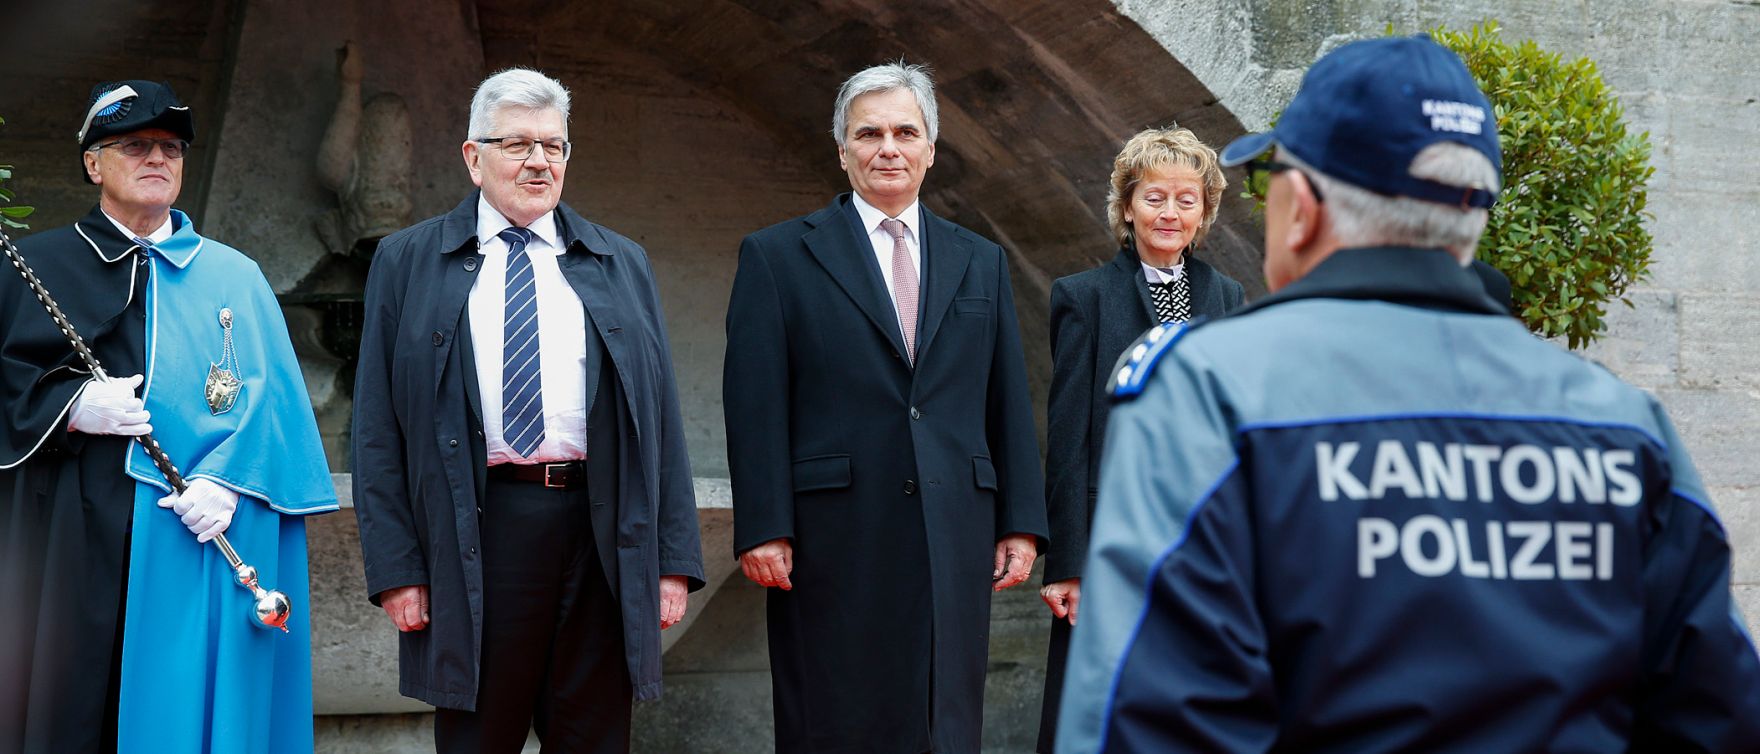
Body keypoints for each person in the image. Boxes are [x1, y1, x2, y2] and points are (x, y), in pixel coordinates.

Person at [1057, 35, 1760, 753]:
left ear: (1300, 207)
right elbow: (1717, 715)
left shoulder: (1209, 396)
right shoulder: (1628, 427)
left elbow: (1144, 718)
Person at [352, 67, 703, 753]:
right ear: (473, 157)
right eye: (518, 144)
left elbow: (659, 418)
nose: (539, 161)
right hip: (484, 526)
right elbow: (375, 429)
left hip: (602, 532)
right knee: (481, 734)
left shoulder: (619, 260)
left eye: (554, 146)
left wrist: (672, 558)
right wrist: (397, 569)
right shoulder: (405, 261)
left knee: (595, 734)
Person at [0, 80, 337, 754]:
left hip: (194, 536)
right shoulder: (30, 265)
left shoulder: (235, 276)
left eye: (170, 148)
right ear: (94, 163)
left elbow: (277, 411)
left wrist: (231, 482)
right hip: (66, 524)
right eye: (135, 146)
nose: (157, 158)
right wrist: (69, 409)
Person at [723, 61, 1048, 753]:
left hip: (953, 527)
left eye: (906, 131)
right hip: (832, 534)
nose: (888, 148)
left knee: (945, 716)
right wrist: (762, 524)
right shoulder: (778, 255)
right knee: (836, 713)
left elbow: (1005, 396)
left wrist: (1021, 520)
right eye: (868, 133)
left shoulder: (980, 260)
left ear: (932, 148)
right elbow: (754, 399)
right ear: (842, 151)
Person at [1035, 126, 1244, 752]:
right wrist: (1066, 561)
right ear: (1128, 206)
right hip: (1110, 542)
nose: (1170, 213)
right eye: (1155, 197)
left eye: (1187, 199)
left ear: (1204, 211)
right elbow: (1068, 436)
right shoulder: (1084, 297)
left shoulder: (1227, 296)